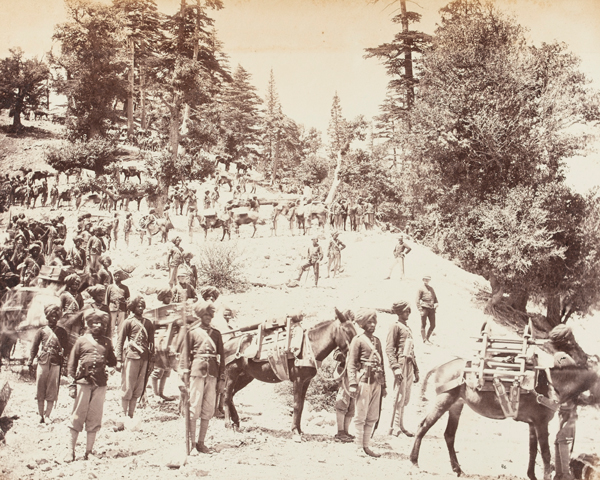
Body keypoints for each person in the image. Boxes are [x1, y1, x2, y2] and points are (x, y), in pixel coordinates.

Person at [65, 310, 117, 462]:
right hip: (83, 383)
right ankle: (70, 451)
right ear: (89, 324)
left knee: (95, 417)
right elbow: (71, 363)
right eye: (94, 322)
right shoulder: (81, 340)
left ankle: (89, 452)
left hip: (100, 384)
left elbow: (113, 361)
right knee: (77, 416)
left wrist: (113, 367)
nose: (97, 325)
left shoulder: (107, 342)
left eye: (100, 323)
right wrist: (72, 384)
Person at [178, 301, 225, 454]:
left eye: (210, 315)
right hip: (196, 372)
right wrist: (183, 376)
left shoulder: (216, 334)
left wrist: (221, 379)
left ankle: (201, 443)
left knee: (208, 408)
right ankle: (191, 443)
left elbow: (222, 358)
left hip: (212, 373)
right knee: (194, 406)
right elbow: (185, 356)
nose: (208, 317)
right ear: (200, 315)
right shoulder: (192, 333)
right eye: (205, 314)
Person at [548, 324, 589, 480]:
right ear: (565, 340)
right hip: (569, 405)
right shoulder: (563, 357)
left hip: (564, 404)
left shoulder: (559, 356)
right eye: (569, 338)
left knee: (561, 437)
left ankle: (560, 473)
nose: (572, 341)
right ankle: (564, 474)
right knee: (565, 438)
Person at [347, 309, 386, 458]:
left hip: (377, 381)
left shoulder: (377, 341)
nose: (372, 324)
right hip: (363, 380)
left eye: (374, 321)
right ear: (363, 324)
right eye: (369, 322)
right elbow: (351, 363)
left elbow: (382, 364)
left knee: (373, 416)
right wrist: (352, 383)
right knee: (360, 415)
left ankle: (366, 446)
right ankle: (357, 446)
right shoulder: (357, 340)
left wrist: (385, 386)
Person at [27, 303, 69, 424]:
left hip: (56, 362)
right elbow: (34, 347)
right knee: (40, 387)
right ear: (47, 317)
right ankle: (40, 415)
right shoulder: (42, 331)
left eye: (56, 316)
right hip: (43, 361)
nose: (54, 319)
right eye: (52, 316)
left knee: (52, 388)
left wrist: (65, 364)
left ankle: (48, 415)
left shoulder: (62, 332)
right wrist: (30, 361)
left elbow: (66, 349)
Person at [115, 296, 155, 419]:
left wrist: (152, 361)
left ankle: (131, 414)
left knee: (139, 386)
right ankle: (123, 413)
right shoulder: (128, 322)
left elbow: (152, 344)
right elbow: (120, 341)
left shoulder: (148, 323)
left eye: (143, 306)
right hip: (132, 356)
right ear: (133, 307)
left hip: (145, 358)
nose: (141, 308)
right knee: (128, 384)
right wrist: (118, 359)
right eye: (138, 306)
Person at [385, 301, 420, 437]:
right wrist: (395, 367)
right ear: (399, 312)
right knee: (399, 395)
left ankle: (401, 425)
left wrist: (416, 369)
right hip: (401, 364)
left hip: (409, 363)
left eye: (409, 311)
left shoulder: (407, 327)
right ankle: (394, 426)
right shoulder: (395, 326)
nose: (408, 314)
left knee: (406, 395)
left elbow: (412, 350)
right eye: (405, 312)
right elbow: (389, 349)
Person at [333, 309, 357, 443]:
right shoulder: (344, 338)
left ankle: (346, 431)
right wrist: (346, 356)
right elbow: (336, 355)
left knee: (352, 403)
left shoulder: (355, 337)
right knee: (343, 400)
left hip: (355, 373)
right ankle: (340, 432)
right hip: (346, 373)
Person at [106, 268, 130, 337]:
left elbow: (128, 299)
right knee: (111, 327)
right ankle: (110, 344)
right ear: (113, 277)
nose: (117, 277)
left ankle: (119, 344)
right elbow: (106, 299)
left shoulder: (125, 288)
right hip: (112, 308)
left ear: (121, 278)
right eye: (116, 276)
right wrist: (106, 309)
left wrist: (127, 309)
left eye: (119, 276)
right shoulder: (110, 287)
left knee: (121, 327)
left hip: (122, 308)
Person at [416, 275, 438, 344]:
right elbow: (417, 300)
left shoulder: (431, 288)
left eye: (428, 280)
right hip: (424, 308)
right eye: (425, 279)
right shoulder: (421, 289)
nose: (426, 281)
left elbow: (435, 299)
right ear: (423, 280)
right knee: (423, 324)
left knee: (433, 325)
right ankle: (424, 340)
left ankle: (427, 338)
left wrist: (436, 303)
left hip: (431, 309)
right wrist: (420, 309)